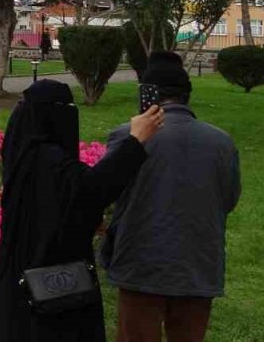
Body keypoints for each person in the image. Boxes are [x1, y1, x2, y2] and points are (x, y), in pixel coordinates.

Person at [0, 80, 164, 342]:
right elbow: (91, 190)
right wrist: (135, 141)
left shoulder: (26, 155)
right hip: (53, 296)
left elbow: (63, 205)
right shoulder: (49, 160)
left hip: (20, 285)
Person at [102, 51, 240, 342]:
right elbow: (228, 199)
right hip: (199, 263)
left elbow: (107, 193)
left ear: (147, 94)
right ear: (187, 95)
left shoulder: (126, 137)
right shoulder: (222, 142)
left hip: (139, 263)